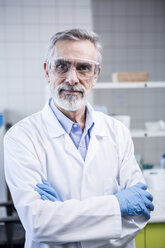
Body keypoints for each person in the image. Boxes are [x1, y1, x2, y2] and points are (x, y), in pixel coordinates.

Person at [4, 29, 154, 248]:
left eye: (83, 68)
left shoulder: (117, 132)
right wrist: (116, 206)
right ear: (47, 71)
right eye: (62, 65)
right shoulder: (21, 137)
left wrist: (62, 214)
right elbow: (39, 223)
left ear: (96, 75)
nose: (72, 79)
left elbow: (139, 216)